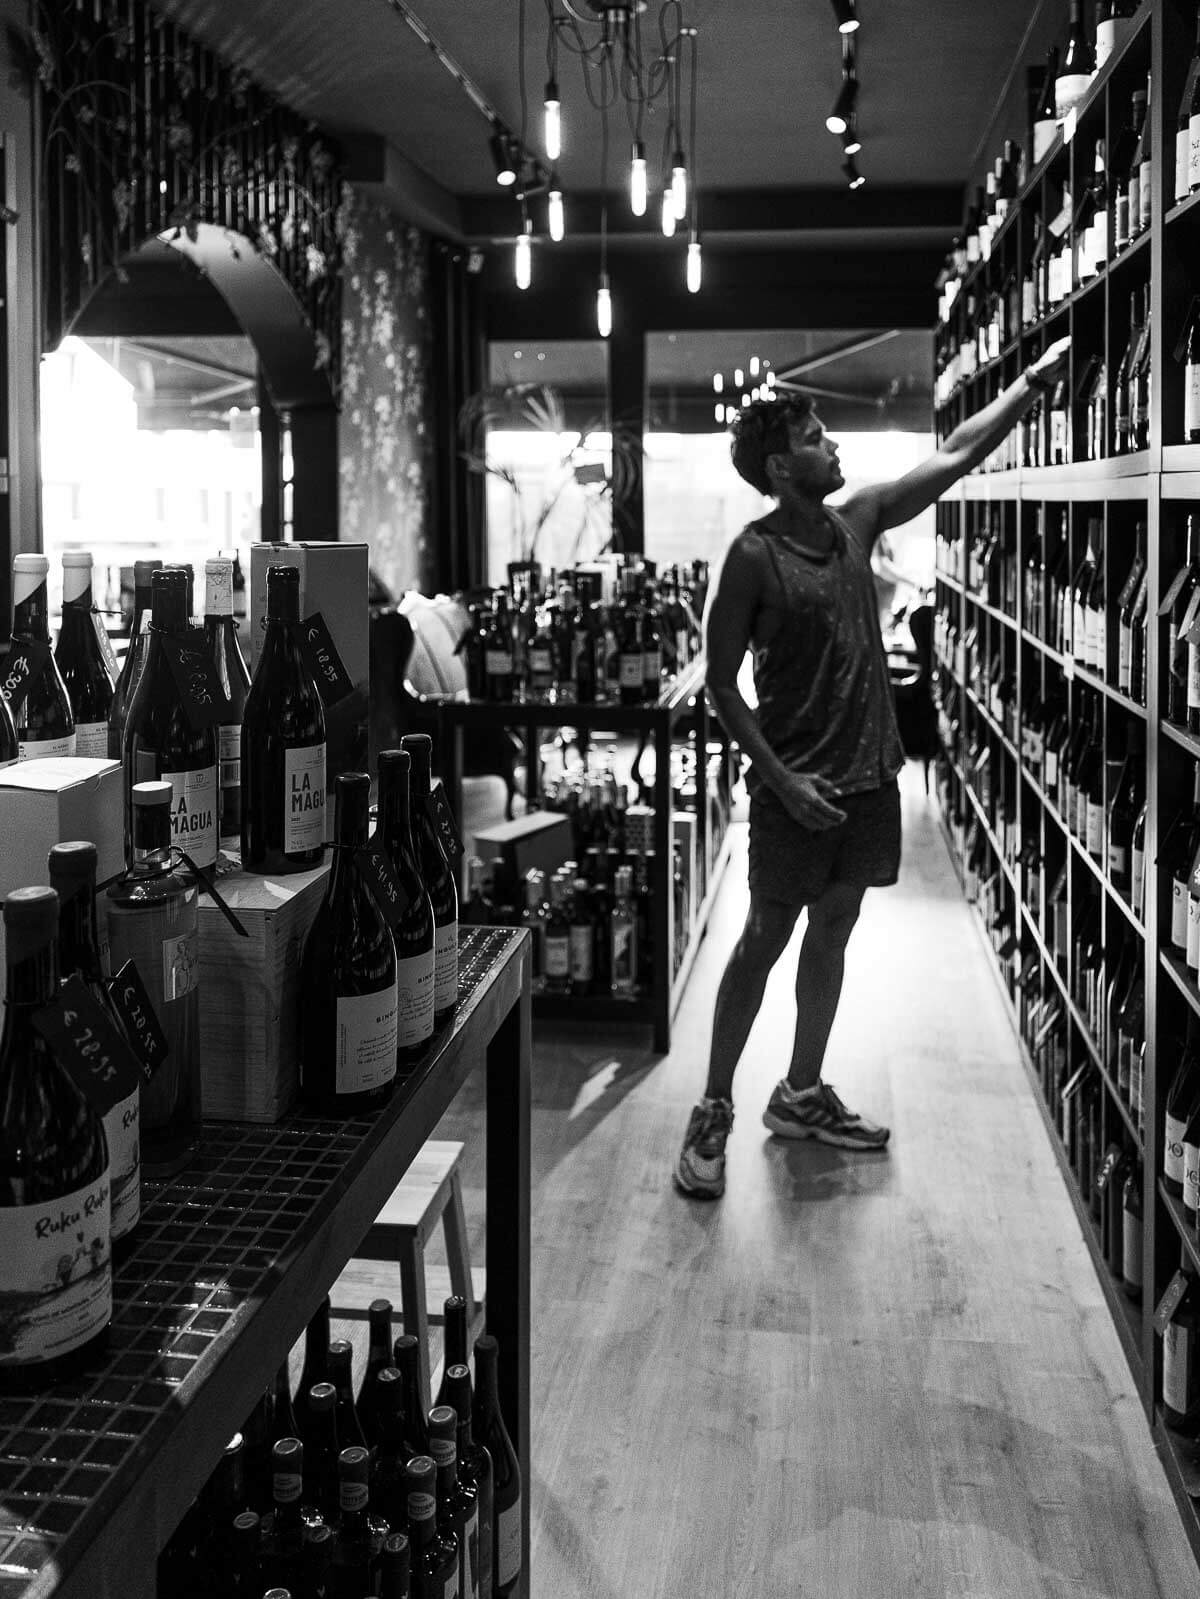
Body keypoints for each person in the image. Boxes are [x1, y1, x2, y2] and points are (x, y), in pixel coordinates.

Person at [674, 335, 1071, 1200]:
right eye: (816, 436)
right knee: (762, 942)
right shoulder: (752, 557)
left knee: (835, 929)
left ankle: (802, 1091)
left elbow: (957, 454)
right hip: (795, 792)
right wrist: (781, 781)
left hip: (866, 784)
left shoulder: (858, 522)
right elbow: (718, 685)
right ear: (781, 467)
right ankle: (711, 1109)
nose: (834, 445)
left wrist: (1030, 390)